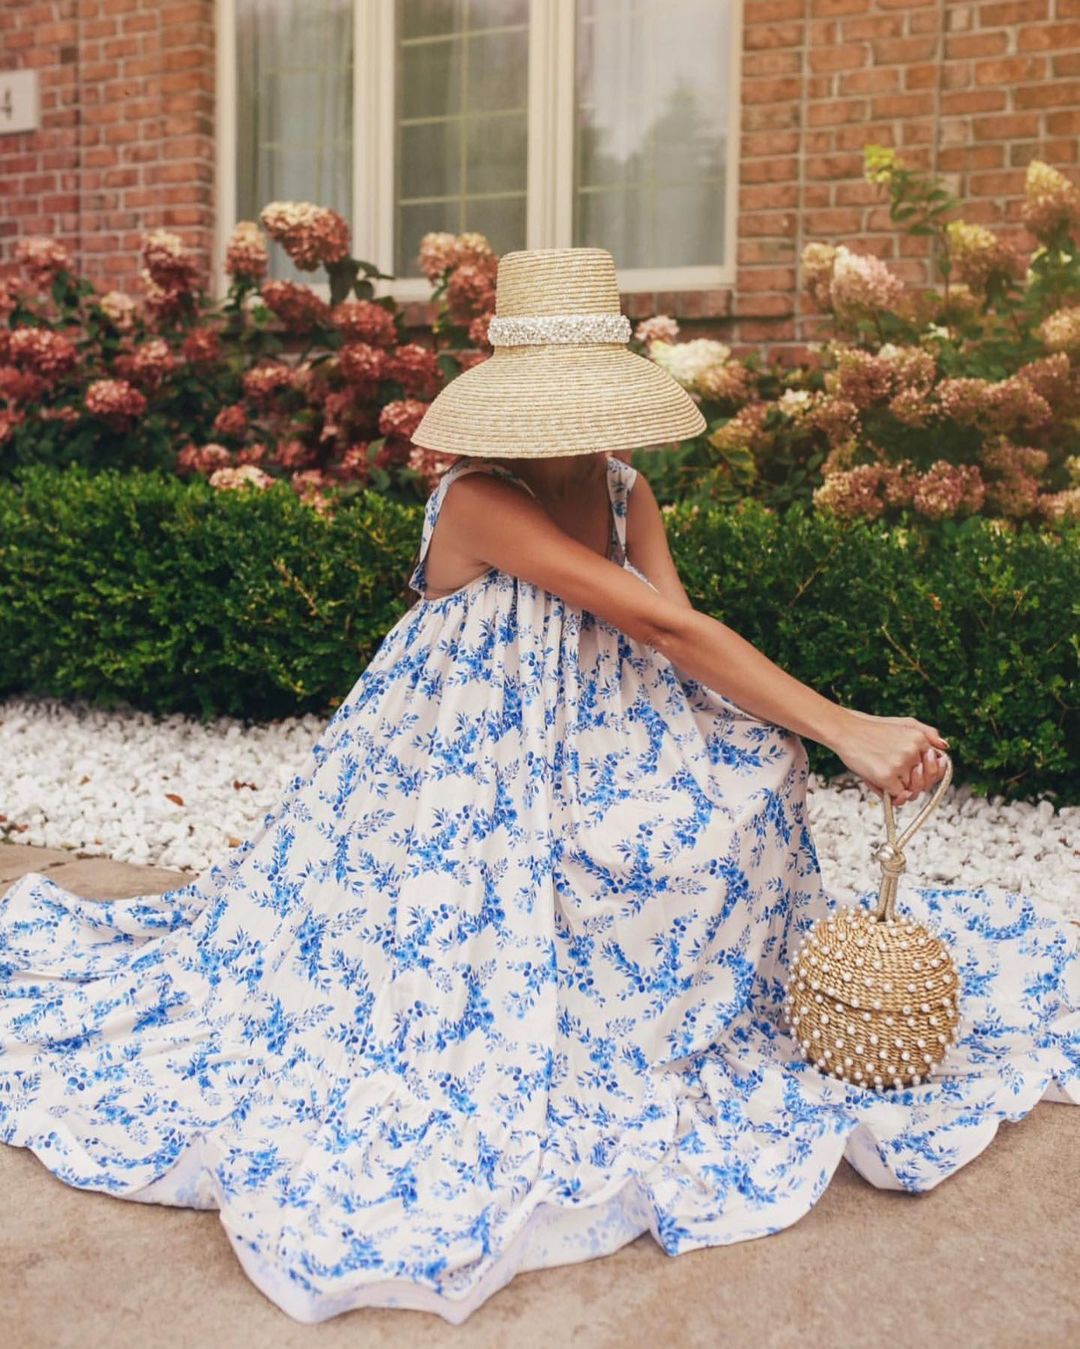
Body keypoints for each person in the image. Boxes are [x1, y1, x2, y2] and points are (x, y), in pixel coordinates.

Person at [0, 247, 1076, 1326]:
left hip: (605, 722)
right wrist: (846, 726)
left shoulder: (623, 487)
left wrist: (813, 735)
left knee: (753, 775)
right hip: (460, 764)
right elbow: (652, 618)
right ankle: (577, 1007)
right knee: (622, 829)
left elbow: (677, 633)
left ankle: (673, 1010)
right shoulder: (477, 497)